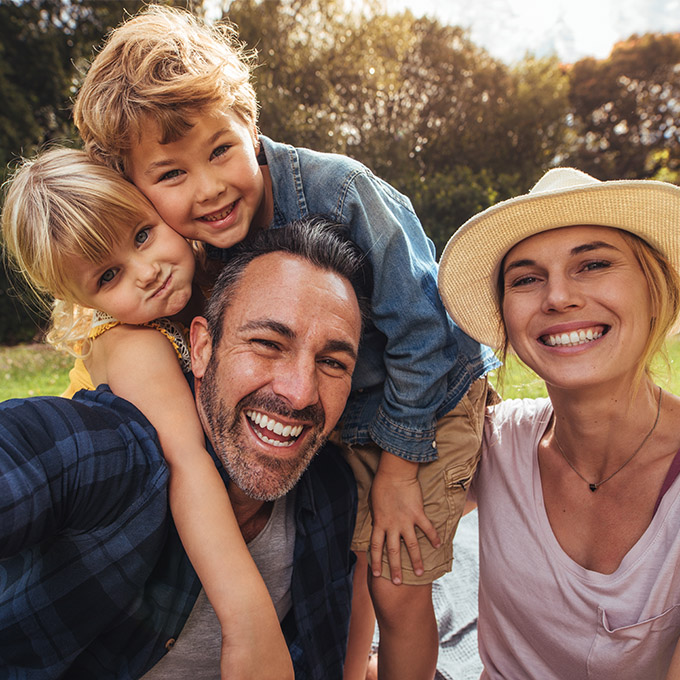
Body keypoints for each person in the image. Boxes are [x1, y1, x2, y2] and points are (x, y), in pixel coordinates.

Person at [71, 8, 499, 677]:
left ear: (250, 122)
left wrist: (398, 470)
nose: (208, 188)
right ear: (138, 186)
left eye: (219, 150)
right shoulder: (184, 248)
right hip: (334, 411)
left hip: (427, 404)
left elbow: (429, 329)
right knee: (346, 558)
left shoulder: (342, 191)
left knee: (395, 573)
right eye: (171, 174)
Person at [0, 217, 368, 679]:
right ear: (200, 346)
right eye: (267, 343)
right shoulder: (117, 455)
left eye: (332, 361)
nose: (299, 392)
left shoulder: (332, 490)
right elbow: (33, 454)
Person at [437, 167, 680, 679]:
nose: (557, 297)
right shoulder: (493, 442)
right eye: (525, 279)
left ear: (654, 287)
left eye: (592, 265)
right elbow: (381, 541)